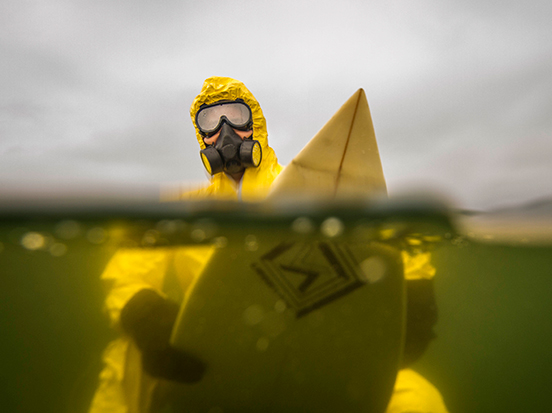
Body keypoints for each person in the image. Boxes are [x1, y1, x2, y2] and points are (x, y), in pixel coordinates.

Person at [89, 77, 447, 413]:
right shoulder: (184, 208)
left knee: (418, 397)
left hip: (322, 358)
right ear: (201, 136)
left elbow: (385, 236)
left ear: (255, 123)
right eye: (210, 122)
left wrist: (414, 287)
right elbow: (127, 273)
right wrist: (144, 315)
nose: (225, 132)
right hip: (214, 363)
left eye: (236, 116)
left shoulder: (309, 188)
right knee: (126, 356)